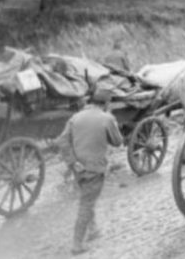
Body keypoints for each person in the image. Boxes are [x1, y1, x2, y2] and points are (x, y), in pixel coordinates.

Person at [55, 89, 123, 255]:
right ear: (106, 104)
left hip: (78, 169)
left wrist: (72, 162)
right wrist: (111, 121)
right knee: (86, 204)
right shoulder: (107, 118)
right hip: (94, 168)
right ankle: (77, 244)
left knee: (87, 197)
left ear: (91, 101)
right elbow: (118, 142)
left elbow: (62, 141)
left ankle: (93, 229)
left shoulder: (75, 118)